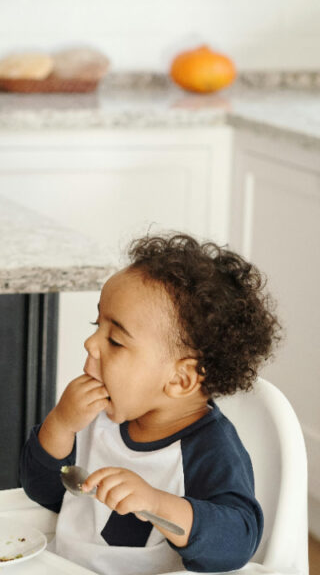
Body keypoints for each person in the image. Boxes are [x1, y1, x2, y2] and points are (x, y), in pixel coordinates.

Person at [20, 233, 280, 574]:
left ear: (180, 380)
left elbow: (237, 541)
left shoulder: (210, 449)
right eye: (96, 325)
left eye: (114, 340)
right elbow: (46, 493)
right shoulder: (94, 415)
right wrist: (60, 425)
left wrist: (158, 502)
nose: (90, 342)